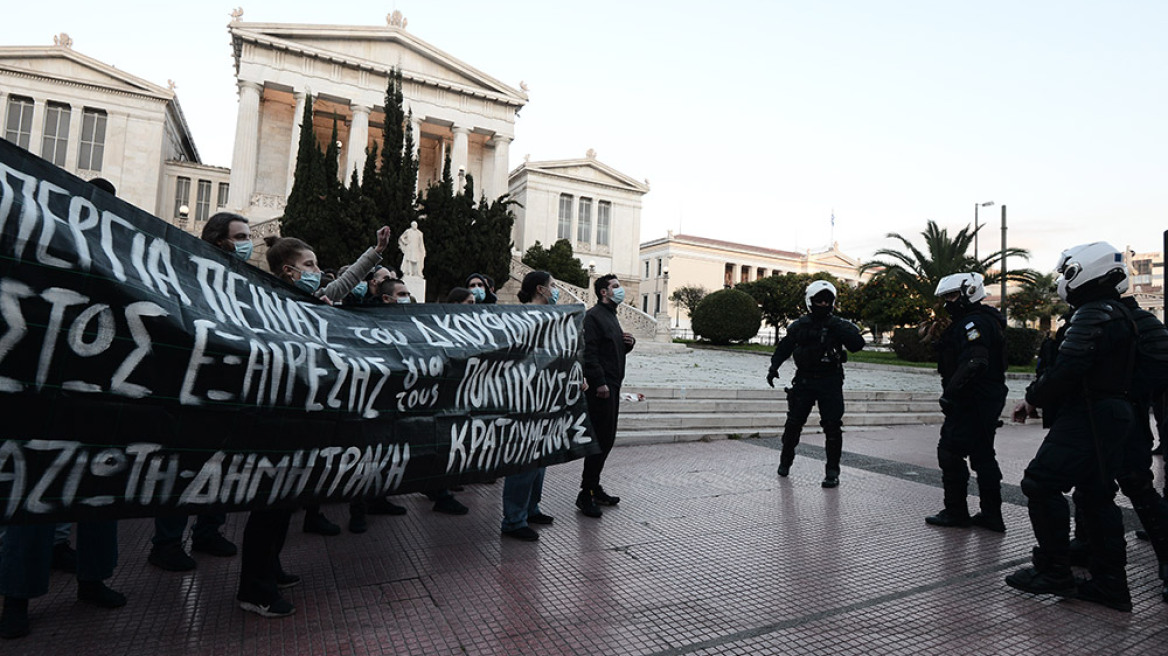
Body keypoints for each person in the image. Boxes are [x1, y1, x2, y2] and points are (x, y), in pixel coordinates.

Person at [0, 178, 125, 640]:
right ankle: (17, 599)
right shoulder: (35, 256)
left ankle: (94, 579)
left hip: (101, 398)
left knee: (99, 497)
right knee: (34, 503)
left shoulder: (121, 268)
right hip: (43, 400)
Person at [1006, 242, 1138, 612]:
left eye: (1068, 272)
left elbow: (1067, 369)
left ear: (1085, 270)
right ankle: (1111, 583)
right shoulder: (1119, 312)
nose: (1064, 281)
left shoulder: (1093, 313)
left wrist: (1032, 397)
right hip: (1114, 412)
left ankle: (1054, 570)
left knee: (1040, 482)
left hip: (1090, 413)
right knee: (1096, 495)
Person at [146, 214, 248, 571]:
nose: (247, 243)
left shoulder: (247, 282)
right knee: (183, 467)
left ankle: (209, 530)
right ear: (219, 241)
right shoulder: (188, 275)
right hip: (189, 388)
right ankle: (168, 542)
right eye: (240, 237)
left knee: (220, 464)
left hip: (228, 387)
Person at [924, 273, 1009, 532]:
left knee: (950, 451)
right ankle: (991, 514)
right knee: (983, 455)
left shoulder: (974, 323)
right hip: (985, 397)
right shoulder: (983, 319)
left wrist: (951, 393)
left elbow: (976, 360)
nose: (948, 302)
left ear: (969, 292)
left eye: (952, 296)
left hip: (973, 399)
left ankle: (956, 511)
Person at [766, 280, 865, 487]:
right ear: (810, 301)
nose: (823, 304)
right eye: (818, 300)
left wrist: (839, 325)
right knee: (793, 424)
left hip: (830, 381)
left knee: (832, 427)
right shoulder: (800, 325)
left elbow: (857, 344)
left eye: (827, 300)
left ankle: (832, 472)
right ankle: (785, 461)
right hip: (804, 381)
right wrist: (774, 367)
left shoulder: (837, 325)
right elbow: (784, 347)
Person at [501, 271, 559, 540]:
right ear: (540, 289)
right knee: (523, 460)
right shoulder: (519, 317)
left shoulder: (555, 317)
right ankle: (513, 520)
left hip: (545, 397)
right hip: (523, 398)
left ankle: (530, 508)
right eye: (553, 286)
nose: (556, 290)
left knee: (540, 458)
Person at [577, 274, 636, 518]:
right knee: (600, 440)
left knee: (607, 439)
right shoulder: (593, 317)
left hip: (613, 384)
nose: (620, 290)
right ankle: (585, 493)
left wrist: (628, 344)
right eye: (615, 287)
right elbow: (589, 353)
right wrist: (599, 382)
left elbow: (610, 348)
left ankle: (594, 486)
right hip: (602, 388)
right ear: (604, 292)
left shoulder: (611, 316)